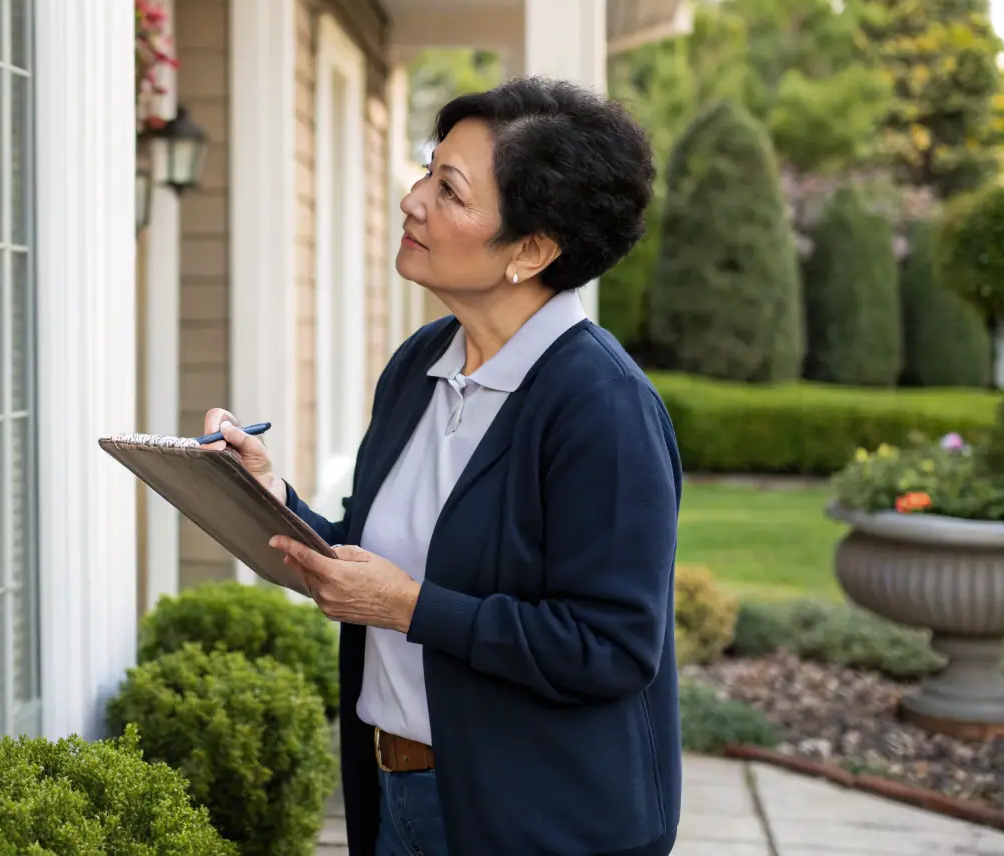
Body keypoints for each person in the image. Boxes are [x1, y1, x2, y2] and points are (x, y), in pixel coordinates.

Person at [203, 77, 682, 856]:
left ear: (529, 251)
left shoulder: (601, 408)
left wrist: (412, 609)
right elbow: (372, 563)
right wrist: (268, 496)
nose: (412, 201)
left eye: (449, 191)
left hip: (541, 821)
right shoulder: (420, 364)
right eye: (427, 171)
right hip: (400, 796)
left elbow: (611, 648)